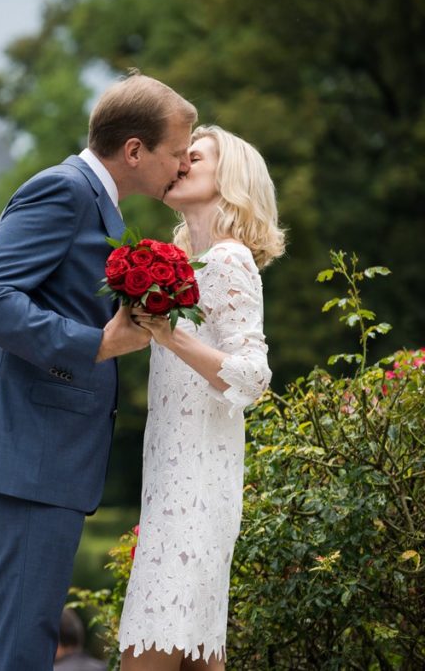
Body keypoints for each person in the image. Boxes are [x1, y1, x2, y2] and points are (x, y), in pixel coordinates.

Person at [0, 72, 197, 670]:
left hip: (28, 456)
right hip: (31, 457)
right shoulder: (65, 190)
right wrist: (95, 343)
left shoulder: (89, 198)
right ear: (134, 150)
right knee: (22, 644)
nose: (181, 167)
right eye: (176, 154)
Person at [119, 125, 285, 669]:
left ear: (229, 179)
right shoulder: (192, 265)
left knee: (155, 647)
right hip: (175, 484)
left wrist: (172, 334)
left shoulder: (229, 260)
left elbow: (254, 378)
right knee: (190, 656)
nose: (180, 163)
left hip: (194, 491)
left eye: (194, 156)